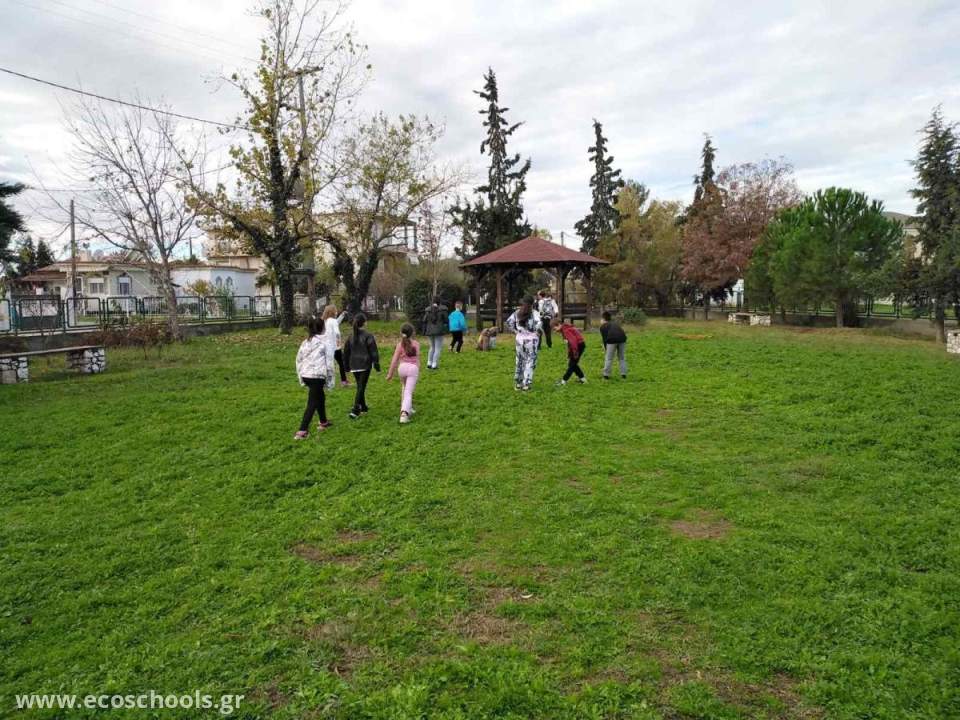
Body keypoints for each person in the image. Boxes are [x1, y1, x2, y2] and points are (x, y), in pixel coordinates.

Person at [294, 315, 332, 439]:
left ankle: (323, 422)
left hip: (306, 375)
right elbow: (329, 364)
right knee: (312, 402)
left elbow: (298, 360)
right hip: (317, 377)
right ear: (322, 328)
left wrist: (301, 377)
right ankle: (302, 431)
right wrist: (330, 382)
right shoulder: (324, 343)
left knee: (320, 397)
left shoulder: (305, 342)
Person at [342, 313, 380, 418]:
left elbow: (346, 352)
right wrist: (376, 363)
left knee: (360, 385)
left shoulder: (350, 337)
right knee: (361, 386)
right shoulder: (368, 335)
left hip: (354, 365)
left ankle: (363, 407)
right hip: (365, 364)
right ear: (364, 323)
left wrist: (346, 366)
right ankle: (355, 409)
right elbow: (373, 351)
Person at [385, 322, 420, 424]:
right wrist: (418, 368)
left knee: (405, 388)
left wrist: (390, 374)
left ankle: (408, 407)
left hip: (402, 368)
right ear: (412, 333)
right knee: (408, 391)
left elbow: (394, 360)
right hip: (413, 369)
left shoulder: (399, 345)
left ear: (401, 333)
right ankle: (404, 414)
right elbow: (417, 359)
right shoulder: (416, 344)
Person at [506, 296, 541, 391]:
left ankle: (518, 383)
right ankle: (526, 384)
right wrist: (537, 332)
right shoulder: (535, 313)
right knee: (530, 361)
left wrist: (516, 331)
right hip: (532, 340)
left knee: (520, 361)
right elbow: (538, 325)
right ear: (532, 304)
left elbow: (508, 322)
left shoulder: (517, 313)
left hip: (519, 340)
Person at [321, 304, 349, 388]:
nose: (337, 311)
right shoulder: (333, 321)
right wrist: (338, 342)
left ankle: (325, 382)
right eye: (336, 310)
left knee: (328, 365)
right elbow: (337, 332)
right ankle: (344, 381)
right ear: (333, 312)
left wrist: (342, 315)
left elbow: (336, 323)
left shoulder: (326, 321)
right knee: (341, 363)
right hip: (335, 347)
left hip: (327, 346)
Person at [552, 318, 587, 385]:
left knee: (572, 365)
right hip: (577, 346)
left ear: (559, 324)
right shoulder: (564, 328)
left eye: (554, 328)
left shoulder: (566, 330)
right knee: (573, 364)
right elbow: (570, 343)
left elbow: (573, 342)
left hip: (578, 346)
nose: (554, 331)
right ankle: (583, 379)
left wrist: (575, 352)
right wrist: (570, 353)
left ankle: (563, 381)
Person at [600, 310, 628, 379]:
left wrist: (606, 349)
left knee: (609, 358)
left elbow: (605, 339)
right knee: (622, 357)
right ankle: (624, 374)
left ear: (603, 319)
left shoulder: (603, 326)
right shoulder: (615, 323)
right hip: (622, 339)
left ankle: (606, 375)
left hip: (612, 340)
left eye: (601, 319)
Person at [423, 297, 448, 369]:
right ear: (440, 302)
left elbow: (424, 320)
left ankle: (429, 363)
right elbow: (446, 320)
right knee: (437, 348)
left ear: (432, 301)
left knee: (432, 347)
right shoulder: (443, 310)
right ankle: (434, 364)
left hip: (429, 331)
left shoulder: (428, 310)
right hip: (439, 331)